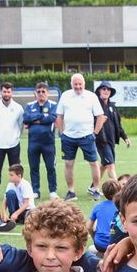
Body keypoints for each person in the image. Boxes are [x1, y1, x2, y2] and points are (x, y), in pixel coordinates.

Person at [55, 73, 105, 201]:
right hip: (68, 137)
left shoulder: (91, 96)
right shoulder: (65, 95)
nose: (78, 86)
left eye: (80, 84)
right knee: (68, 163)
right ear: (71, 84)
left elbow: (100, 116)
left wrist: (95, 133)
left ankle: (96, 189)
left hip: (87, 136)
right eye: (75, 84)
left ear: (84, 84)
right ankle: (71, 191)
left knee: (94, 163)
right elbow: (59, 115)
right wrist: (61, 133)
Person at [24, 82, 59, 198]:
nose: (41, 93)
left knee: (51, 167)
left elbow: (52, 118)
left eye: (43, 91)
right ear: (35, 93)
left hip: (48, 142)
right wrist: (42, 116)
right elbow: (26, 118)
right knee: (34, 167)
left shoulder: (53, 105)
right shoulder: (30, 105)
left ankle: (52, 191)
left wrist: (34, 120)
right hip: (33, 142)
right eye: (38, 91)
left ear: (47, 93)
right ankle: (35, 190)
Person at [0, 82, 24, 191]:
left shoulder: (18, 108)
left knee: (15, 169)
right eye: (4, 91)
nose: (6, 94)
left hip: (14, 143)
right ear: (1, 92)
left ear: (12, 93)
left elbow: (21, 125)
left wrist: (15, 136)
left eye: (8, 92)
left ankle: (17, 190)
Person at [95, 81, 130, 181]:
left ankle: (93, 186)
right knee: (110, 165)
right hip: (101, 141)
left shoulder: (112, 106)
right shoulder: (96, 105)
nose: (106, 91)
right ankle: (118, 187)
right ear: (99, 91)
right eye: (104, 89)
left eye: (108, 89)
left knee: (105, 165)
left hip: (111, 140)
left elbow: (118, 125)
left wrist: (125, 137)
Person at [88, 179, 120, 254]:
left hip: (99, 245)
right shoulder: (121, 206)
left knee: (97, 221)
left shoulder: (98, 206)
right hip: (116, 245)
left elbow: (89, 227)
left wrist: (95, 239)